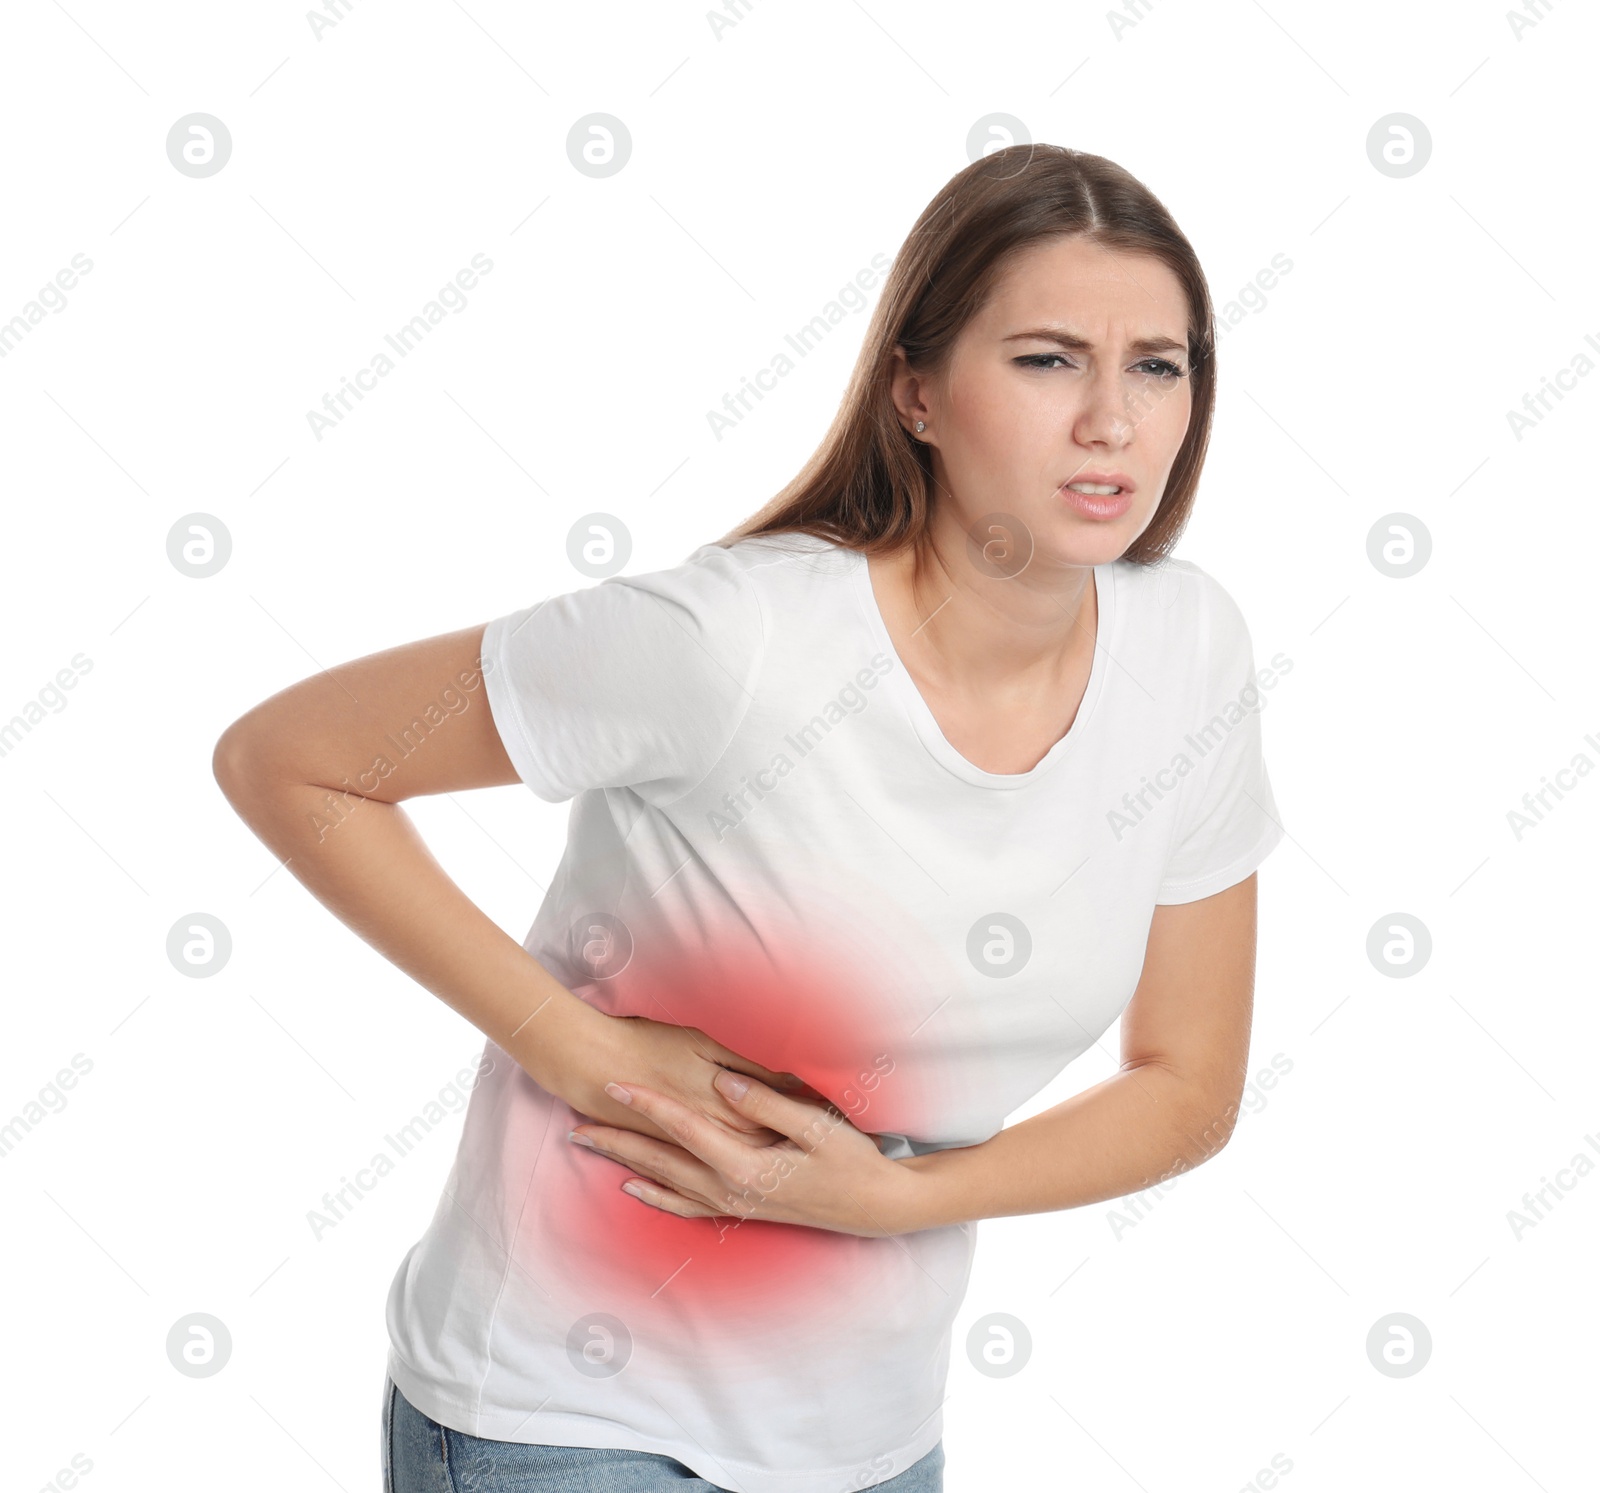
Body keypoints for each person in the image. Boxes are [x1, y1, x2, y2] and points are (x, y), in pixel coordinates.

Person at [214, 142, 1286, 1493]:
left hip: (869, 1434)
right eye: (1046, 358)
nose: (1112, 421)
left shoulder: (1186, 652)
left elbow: (1189, 1086)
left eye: (1159, 364)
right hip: (563, 1414)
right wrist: (579, 1045)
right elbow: (293, 760)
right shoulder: (741, 642)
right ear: (917, 390)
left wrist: (898, 1198)